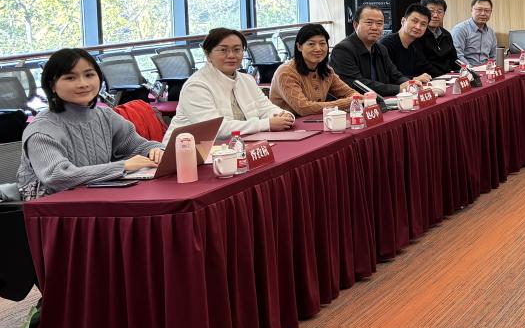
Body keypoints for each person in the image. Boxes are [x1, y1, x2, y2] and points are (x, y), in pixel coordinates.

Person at [18, 48, 164, 198]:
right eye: (70, 78)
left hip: (97, 196)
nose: (83, 84)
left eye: (89, 75)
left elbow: (137, 146)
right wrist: (123, 166)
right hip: (51, 205)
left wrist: (155, 150)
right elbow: (57, 176)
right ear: (52, 85)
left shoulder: (105, 116)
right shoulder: (42, 129)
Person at [166, 28, 294, 141]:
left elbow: (266, 108)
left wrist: (285, 116)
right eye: (223, 50)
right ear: (208, 54)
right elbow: (215, 129)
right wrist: (267, 124)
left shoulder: (247, 80)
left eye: (237, 50)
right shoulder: (196, 86)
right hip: (187, 152)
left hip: (236, 147)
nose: (232, 55)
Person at [268, 23, 358, 116]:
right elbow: (303, 108)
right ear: (299, 47)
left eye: (322, 43)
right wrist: (348, 102)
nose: (318, 49)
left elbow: (351, 93)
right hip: (288, 123)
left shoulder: (326, 71)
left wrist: (354, 98)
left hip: (316, 121)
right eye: (311, 44)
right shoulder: (286, 72)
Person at [330, 4, 409, 97]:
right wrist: (398, 88)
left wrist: (409, 84)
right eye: (369, 23)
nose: (375, 27)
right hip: (353, 103)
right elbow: (358, 84)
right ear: (356, 25)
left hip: (380, 101)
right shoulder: (342, 50)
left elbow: (395, 75)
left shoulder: (381, 49)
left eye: (379, 23)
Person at [380, 4, 438, 82]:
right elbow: (386, 77)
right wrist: (413, 79)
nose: (418, 27)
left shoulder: (414, 46)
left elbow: (425, 69)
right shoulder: (386, 44)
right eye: (414, 21)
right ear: (403, 21)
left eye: (423, 24)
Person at [419, 0, 459, 76]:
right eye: (431, 11)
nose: (435, 15)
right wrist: (444, 76)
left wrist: (462, 72)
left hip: (448, 77)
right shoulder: (419, 34)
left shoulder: (446, 34)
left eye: (439, 12)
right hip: (429, 78)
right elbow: (422, 64)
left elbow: (454, 60)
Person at [451, 0, 497, 66]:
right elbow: (457, 56)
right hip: (466, 70)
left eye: (487, 10)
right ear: (471, 10)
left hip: (486, 69)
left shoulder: (491, 32)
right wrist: (472, 69)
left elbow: (494, 56)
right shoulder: (460, 30)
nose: (483, 13)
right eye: (479, 10)